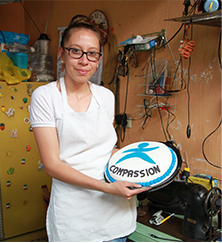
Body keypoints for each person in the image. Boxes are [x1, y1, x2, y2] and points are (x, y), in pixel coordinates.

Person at [30, 18, 150, 242]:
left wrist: (146, 164)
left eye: (92, 53)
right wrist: (106, 188)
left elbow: (107, 149)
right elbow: (52, 165)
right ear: (61, 53)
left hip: (115, 208)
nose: (84, 61)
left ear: (98, 59)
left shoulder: (105, 96)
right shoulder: (46, 97)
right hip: (75, 213)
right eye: (76, 51)